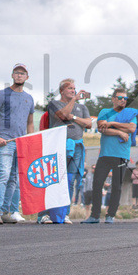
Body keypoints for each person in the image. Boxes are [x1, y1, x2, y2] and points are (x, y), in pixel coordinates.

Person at [0, 63, 35, 224]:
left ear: (27, 77)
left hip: (21, 143)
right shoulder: (2, 94)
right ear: (12, 76)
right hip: (5, 141)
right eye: (16, 73)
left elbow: (30, 123)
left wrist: (29, 140)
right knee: (3, 175)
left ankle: (6, 211)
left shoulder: (29, 98)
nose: (19, 75)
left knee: (14, 178)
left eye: (23, 73)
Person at [83, 87, 138, 223]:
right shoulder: (105, 112)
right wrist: (120, 132)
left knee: (116, 186)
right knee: (97, 184)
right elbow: (102, 128)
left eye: (125, 98)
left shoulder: (131, 113)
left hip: (121, 155)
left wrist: (112, 124)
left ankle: (110, 215)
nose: (123, 101)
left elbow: (132, 128)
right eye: (120, 98)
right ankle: (95, 216)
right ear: (113, 99)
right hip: (105, 154)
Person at [46, 78, 93, 206]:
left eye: (74, 88)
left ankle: (65, 212)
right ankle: (50, 210)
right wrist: (74, 100)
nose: (73, 91)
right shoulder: (54, 104)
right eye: (70, 88)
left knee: (70, 180)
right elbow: (63, 115)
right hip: (58, 145)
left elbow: (89, 124)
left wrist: (74, 117)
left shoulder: (82, 107)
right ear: (61, 91)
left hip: (77, 146)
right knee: (55, 178)